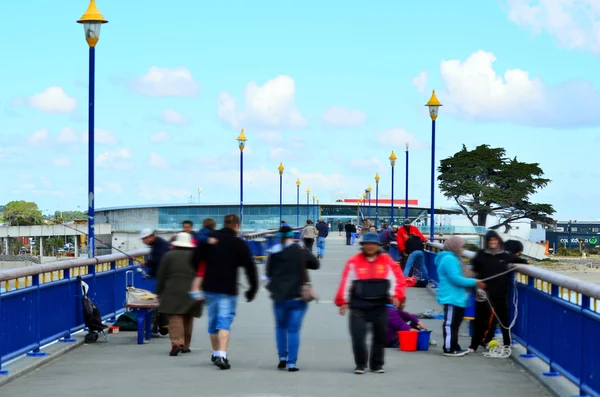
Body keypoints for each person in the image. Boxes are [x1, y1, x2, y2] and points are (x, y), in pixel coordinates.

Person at [191, 214, 258, 370]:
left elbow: (194, 259)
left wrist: (202, 275)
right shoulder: (239, 243)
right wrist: (252, 289)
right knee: (224, 322)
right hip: (228, 288)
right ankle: (222, 355)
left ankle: (215, 353)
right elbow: (250, 267)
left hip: (210, 287)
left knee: (213, 323)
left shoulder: (210, 239)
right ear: (236, 226)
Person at [335, 232, 406, 374]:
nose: (370, 247)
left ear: (378, 246)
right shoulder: (354, 261)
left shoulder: (387, 260)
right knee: (358, 336)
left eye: (373, 244)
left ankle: (377, 365)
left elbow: (397, 279)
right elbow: (346, 282)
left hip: (380, 306)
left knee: (379, 336)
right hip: (358, 306)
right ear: (362, 246)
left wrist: (397, 295)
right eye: (367, 244)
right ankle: (360, 364)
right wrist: (342, 301)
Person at [265, 226, 320, 371]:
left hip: (279, 297)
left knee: (280, 327)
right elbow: (316, 264)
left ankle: (282, 357)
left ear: (278, 237)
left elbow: (268, 274)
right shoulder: (301, 251)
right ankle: (292, 363)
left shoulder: (274, 252)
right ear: (292, 236)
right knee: (293, 330)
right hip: (297, 297)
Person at [469, 231, 526, 352]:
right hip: (484, 292)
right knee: (480, 319)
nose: (493, 242)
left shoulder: (505, 256)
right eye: (490, 240)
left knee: (503, 319)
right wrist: (475, 285)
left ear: (498, 241)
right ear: (487, 242)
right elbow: (473, 271)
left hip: (500, 292)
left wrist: (526, 265)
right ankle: (474, 345)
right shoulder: (480, 255)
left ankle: (507, 344)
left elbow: (521, 261)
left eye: (495, 240)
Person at [435, 236, 485, 357]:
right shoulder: (449, 259)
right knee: (451, 323)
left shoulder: (454, 258)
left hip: (457, 296)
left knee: (455, 322)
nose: (463, 249)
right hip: (452, 296)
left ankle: (454, 346)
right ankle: (449, 348)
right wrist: (475, 282)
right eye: (462, 246)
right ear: (454, 247)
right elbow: (456, 279)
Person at [156, 232, 203, 356]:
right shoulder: (196, 256)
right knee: (188, 317)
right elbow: (202, 274)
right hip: (192, 290)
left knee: (175, 317)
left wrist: (159, 291)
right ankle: (186, 345)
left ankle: (176, 343)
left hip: (172, 290)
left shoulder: (168, 256)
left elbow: (161, 275)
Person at [189, 218, 219, 298]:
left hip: (199, 257)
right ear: (213, 226)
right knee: (200, 275)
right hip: (203, 258)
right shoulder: (208, 233)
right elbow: (201, 238)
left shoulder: (200, 232)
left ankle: (197, 291)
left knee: (200, 275)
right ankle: (194, 290)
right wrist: (208, 239)